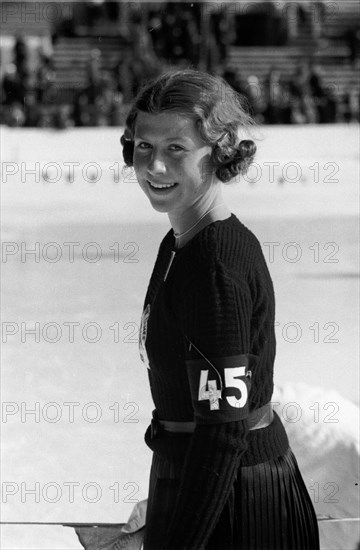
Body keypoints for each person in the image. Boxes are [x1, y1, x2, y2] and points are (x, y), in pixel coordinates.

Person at [120, 69, 320, 550]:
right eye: (144, 147)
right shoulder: (181, 242)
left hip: (239, 508)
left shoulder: (215, 264)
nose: (155, 167)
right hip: (204, 487)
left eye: (176, 149)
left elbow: (224, 433)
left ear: (220, 150)